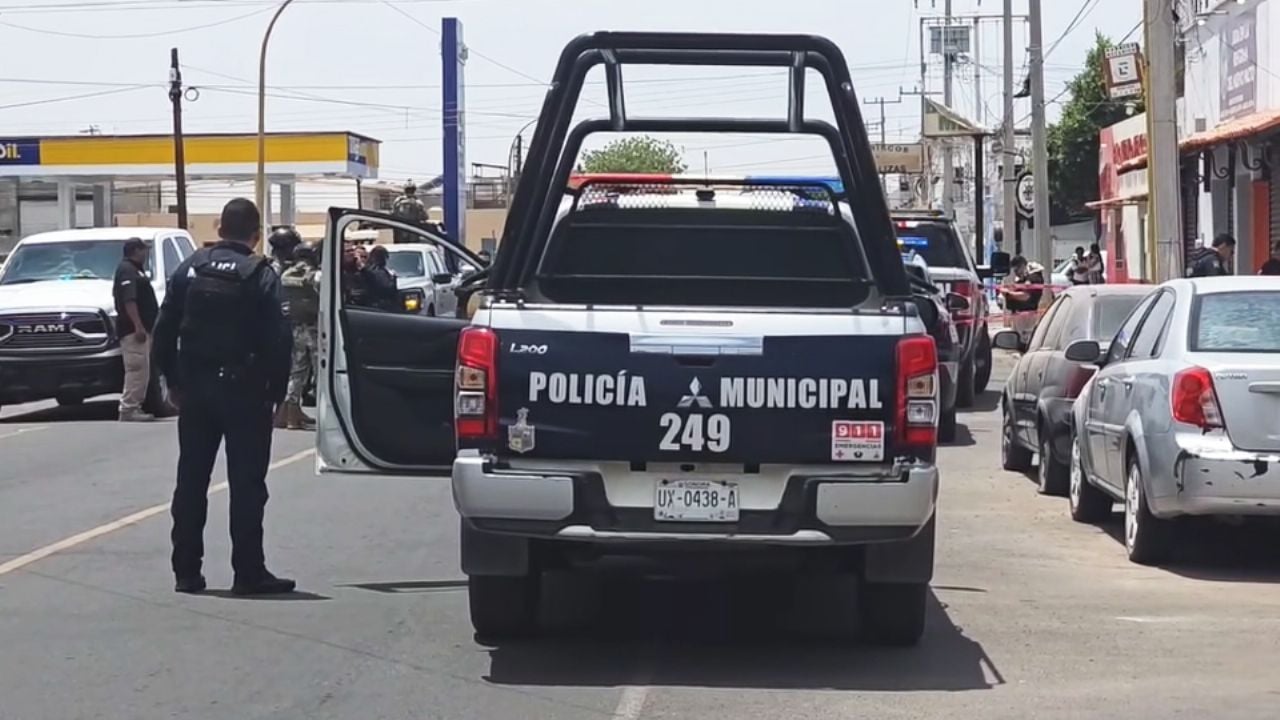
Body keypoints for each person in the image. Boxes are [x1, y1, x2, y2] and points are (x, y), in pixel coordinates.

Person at [152, 198, 296, 596]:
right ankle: (248, 573)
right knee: (247, 484)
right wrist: (276, 394)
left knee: (191, 480)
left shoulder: (191, 266)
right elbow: (280, 339)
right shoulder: (261, 273)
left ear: (219, 229)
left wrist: (171, 381)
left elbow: (164, 328)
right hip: (245, 392)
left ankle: (186, 572)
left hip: (196, 390)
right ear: (255, 234)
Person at [112, 238, 159, 422]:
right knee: (136, 368)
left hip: (142, 328)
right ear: (135, 250)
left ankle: (135, 406)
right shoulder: (127, 270)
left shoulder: (135, 269)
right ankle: (129, 408)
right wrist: (138, 325)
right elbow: (129, 300)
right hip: (133, 331)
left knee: (143, 369)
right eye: (143, 250)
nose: (145, 254)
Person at [277, 242, 320, 430]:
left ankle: (291, 414)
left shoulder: (286, 275)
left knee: (296, 373)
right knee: (322, 373)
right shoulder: (316, 276)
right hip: (316, 329)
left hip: (295, 328)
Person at [1000, 255, 1051, 342]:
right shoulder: (1024, 277)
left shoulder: (1033, 277)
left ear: (1023, 265)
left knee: (1025, 341)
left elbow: (1026, 296)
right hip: (1019, 315)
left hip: (1026, 316)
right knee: (1018, 340)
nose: (1016, 273)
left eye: (1016, 270)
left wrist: (1008, 293)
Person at [359, 245, 400, 311]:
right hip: (381, 306)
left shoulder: (368, 268)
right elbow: (386, 287)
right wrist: (393, 278)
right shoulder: (376, 270)